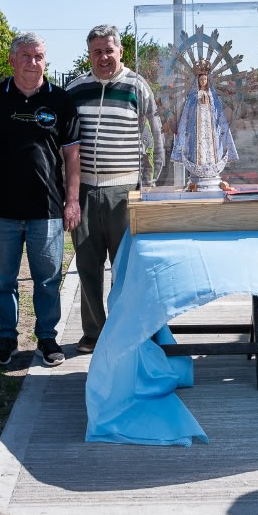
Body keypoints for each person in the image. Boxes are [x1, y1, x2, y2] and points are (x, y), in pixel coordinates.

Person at [0, 32, 81, 367]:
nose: (33, 63)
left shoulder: (61, 100)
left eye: (39, 56)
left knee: (47, 280)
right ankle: (6, 338)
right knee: (2, 280)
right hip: (1, 209)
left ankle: (47, 339)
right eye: (26, 56)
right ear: (12, 59)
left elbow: (73, 156)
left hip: (46, 208)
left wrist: (72, 201)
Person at [65, 25, 163, 353]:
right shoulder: (75, 89)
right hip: (86, 193)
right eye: (97, 51)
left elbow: (155, 136)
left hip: (126, 192)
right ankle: (94, 332)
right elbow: (66, 142)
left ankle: (124, 330)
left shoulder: (137, 85)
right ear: (89, 54)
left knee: (126, 268)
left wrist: (148, 186)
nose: (104, 57)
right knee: (87, 266)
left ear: (120, 51)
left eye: (109, 50)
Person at [172, 59, 238, 191]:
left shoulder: (212, 95)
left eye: (205, 79)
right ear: (197, 81)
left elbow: (217, 112)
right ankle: (198, 173)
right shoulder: (193, 96)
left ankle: (212, 171)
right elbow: (187, 114)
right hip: (198, 128)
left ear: (208, 80)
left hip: (210, 127)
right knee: (199, 145)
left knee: (211, 146)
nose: (203, 81)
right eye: (201, 80)